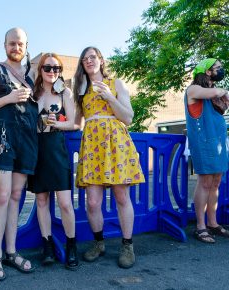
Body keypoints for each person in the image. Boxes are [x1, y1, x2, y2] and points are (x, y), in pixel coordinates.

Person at [73, 47, 145, 269]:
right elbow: (77, 123)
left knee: (122, 197)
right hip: (92, 145)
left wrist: (109, 97)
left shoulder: (116, 83)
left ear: (101, 60)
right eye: (85, 59)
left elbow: (129, 117)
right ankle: (99, 243)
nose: (89, 61)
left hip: (115, 142)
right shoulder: (81, 90)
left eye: (92, 57)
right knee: (93, 202)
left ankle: (127, 245)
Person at [0, 27, 37, 281]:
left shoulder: (32, 75)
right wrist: (10, 97)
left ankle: (11, 251)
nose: (16, 48)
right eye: (12, 43)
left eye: (21, 44)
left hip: (26, 140)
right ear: (4, 45)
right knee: (2, 196)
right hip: (1, 137)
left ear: (26, 46)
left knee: (16, 196)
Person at [26, 53, 78, 270]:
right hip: (37, 150)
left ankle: (71, 246)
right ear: (40, 69)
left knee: (65, 203)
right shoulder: (33, 93)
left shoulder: (64, 92)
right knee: (42, 201)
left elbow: (75, 123)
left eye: (56, 68)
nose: (52, 71)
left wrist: (57, 124)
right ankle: (47, 245)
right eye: (47, 67)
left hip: (57, 150)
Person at [185, 58, 229, 244]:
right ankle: (201, 226)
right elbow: (218, 91)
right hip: (203, 142)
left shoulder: (213, 94)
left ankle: (213, 223)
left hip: (219, 142)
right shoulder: (193, 89)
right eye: (218, 67)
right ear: (208, 72)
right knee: (205, 182)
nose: (221, 70)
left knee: (216, 182)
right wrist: (225, 92)